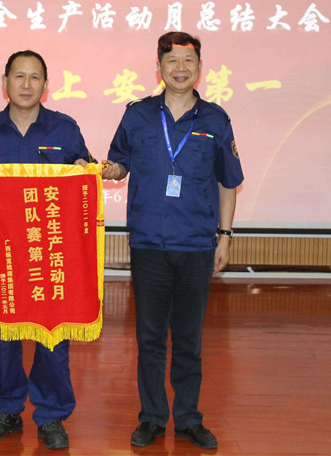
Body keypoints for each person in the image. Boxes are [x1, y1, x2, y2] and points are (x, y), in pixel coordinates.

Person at [101, 32, 244, 450]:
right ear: (159, 67)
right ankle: (151, 418)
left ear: (199, 67)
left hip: (197, 244)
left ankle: (188, 419)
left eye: (188, 61)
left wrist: (225, 237)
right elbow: (119, 163)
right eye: (172, 61)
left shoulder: (216, 119)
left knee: (188, 340)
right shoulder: (138, 115)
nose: (180, 68)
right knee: (149, 340)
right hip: (149, 244)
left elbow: (228, 182)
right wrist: (108, 170)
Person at [0, 49, 92, 451]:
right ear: (5, 82)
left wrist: (85, 170)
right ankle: (6, 410)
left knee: (52, 335)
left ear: (46, 85)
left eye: (35, 77)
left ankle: (51, 415)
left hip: (50, 251)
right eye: (19, 76)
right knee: (2, 334)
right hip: (2, 254)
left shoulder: (64, 129)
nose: (27, 84)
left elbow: (86, 173)